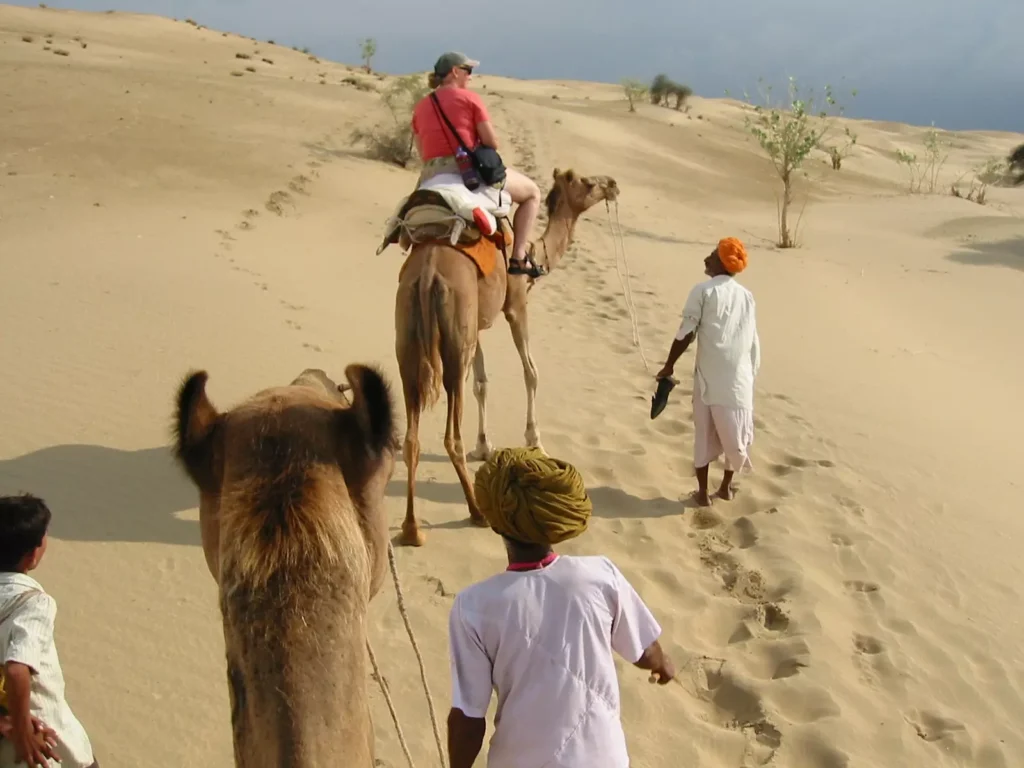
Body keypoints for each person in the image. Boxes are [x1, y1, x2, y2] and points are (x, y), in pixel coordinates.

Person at [446, 447, 675, 768]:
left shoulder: (472, 606)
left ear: (495, 523)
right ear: (556, 522)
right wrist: (662, 664)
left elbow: (469, 717)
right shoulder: (600, 575)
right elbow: (644, 652)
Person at [411, 51, 547, 278]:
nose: (471, 77)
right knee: (533, 193)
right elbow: (491, 142)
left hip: (430, 176)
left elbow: (422, 151)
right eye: (468, 71)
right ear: (455, 72)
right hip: (466, 172)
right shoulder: (470, 98)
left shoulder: (421, 107)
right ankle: (518, 257)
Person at [656, 237, 760, 507]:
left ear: (723, 262)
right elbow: (752, 341)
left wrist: (669, 366)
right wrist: (751, 373)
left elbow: (686, 332)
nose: (706, 259)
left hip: (709, 380)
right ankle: (724, 488)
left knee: (704, 433)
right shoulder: (747, 296)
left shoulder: (703, 290)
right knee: (735, 435)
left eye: (712, 255)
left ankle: (703, 494)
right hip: (739, 380)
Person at [1, 493, 99, 768]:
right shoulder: (35, 604)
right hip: (43, 743)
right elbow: (17, 669)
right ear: (31, 555)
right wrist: (22, 733)